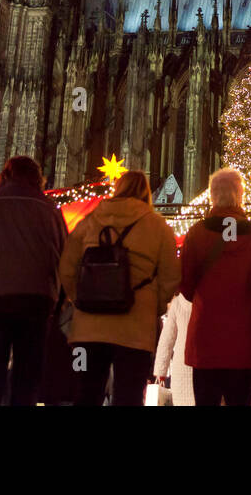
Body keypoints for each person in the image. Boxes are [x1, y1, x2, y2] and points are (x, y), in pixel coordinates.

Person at [58, 169, 179, 406]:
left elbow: (66, 266)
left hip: (88, 329)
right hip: (135, 330)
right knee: (129, 395)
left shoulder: (91, 220)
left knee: (85, 393)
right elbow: (171, 277)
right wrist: (151, 306)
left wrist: (79, 298)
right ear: (146, 192)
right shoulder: (157, 225)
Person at [0, 155, 66, 405]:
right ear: (37, 178)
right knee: (26, 382)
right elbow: (65, 255)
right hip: (36, 304)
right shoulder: (50, 209)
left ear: (5, 175)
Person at [180, 168, 251, 406]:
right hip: (246, 338)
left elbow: (186, 286)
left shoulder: (196, 234)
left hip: (207, 338)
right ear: (240, 195)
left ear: (212, 195)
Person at [152, 292, 194, 405]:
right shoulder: (212, 298)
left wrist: (160, 372)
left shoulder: (177, 303)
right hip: (207, 365)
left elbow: (167, 339)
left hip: (181, 367)